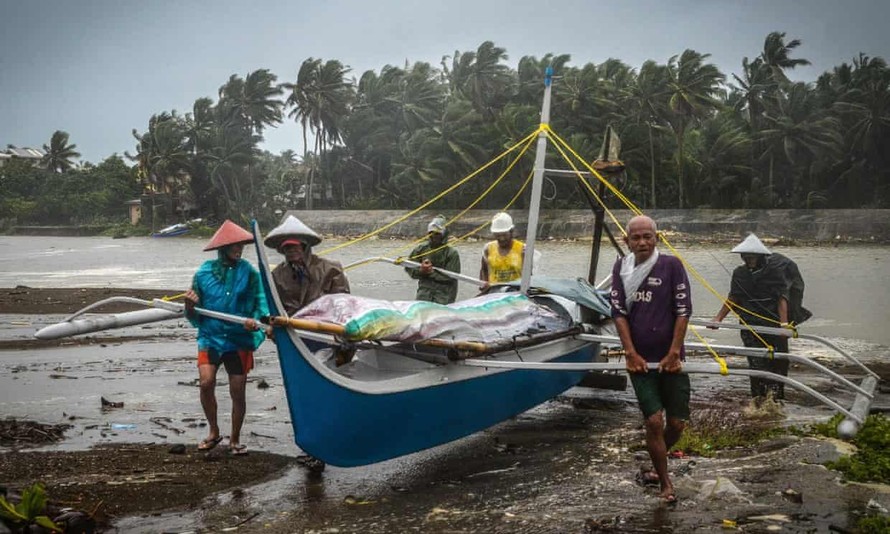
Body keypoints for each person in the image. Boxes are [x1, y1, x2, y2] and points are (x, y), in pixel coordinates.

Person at [609, 215, 691, 504]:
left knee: (677, 424)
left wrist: (673, 352)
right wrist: (630, 353)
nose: (642, 242)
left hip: (671, 359)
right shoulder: (621, 267)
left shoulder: (672, 266)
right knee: (654, 421)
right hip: (640, 361)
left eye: (648, 237)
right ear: (627, 241)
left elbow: (683, 310)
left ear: (657, 238)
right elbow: (618, 312)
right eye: (636, 238)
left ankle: (657, 456)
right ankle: (665, 482)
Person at [184, 220, 268, 456]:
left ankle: (235, 439)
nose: (238, 249)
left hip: (238, 338)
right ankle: (213, 431)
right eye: (234, 245)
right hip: (210, 336)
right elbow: (192, 311)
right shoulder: (203, 273)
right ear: (223, 247)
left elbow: (260, 304)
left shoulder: (250, 273)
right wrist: (189, 305)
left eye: (241, 245)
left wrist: (255, 321)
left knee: (237, 389)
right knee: (206, 382)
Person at [710, 233, 810, 400]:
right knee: (756, 364)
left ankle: (777, 400)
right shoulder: (740, 273)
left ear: (761, 256)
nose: (749, 260)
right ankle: (758, 400)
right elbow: (733, 298)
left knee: (779, 363)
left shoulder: (775, 272)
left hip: (773, 323)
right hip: (750, 325)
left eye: (752, 257)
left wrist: (784, 325)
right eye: (746, 257)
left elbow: (782, 298)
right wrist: (718, 319)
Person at [263, 215, 350, 316]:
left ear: (305, 247)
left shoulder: (332, 269)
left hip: (324, 323)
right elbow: (273, 305)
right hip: (291, 323)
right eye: (287, 248)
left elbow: (343, 304)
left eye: (295, 247)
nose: (291, 251)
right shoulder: (277, 275)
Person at [404, 215, 461, 304]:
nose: (434, 236)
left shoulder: (451, 253)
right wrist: (421, 271)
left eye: (437, 234)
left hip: (444, 297)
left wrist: (431, 272)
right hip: (424, 296)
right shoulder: (420, 249)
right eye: (431, 233)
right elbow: (409, 268)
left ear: (444, 234)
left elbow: (452, 277)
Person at [479, 212, 536, 289]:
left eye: (504, 235)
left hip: (516, 293)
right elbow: (484, 270)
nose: (502, 238)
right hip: (494, 293)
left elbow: (531, 278)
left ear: (511, 232)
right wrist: (483, 285)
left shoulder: (523, 250)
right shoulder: (488, 249)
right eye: (498, 235)